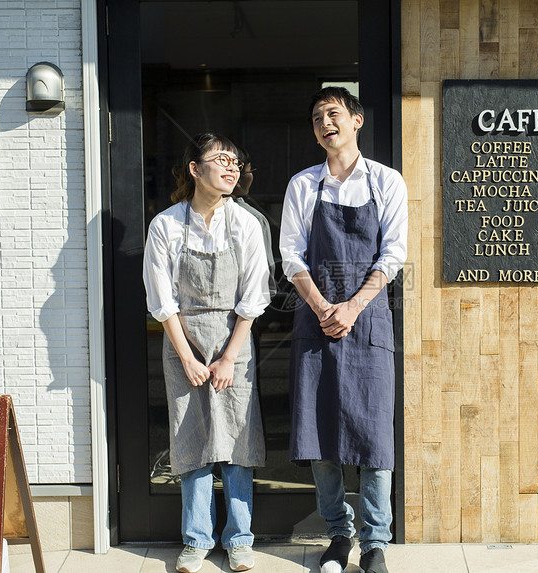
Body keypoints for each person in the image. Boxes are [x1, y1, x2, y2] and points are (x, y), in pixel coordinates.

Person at [279, 87, 408, 573]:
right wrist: (321, 306)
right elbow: (291, 254)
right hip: (315, 315)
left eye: (333, 114)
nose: (325, 123)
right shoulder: (303, 185)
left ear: (356, 120)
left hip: (368, 315)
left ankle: (376, 541)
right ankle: (339, 535)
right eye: (317, 118)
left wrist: (352, 307)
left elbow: (393, 254)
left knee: (373, 435)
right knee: (319, 429)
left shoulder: (385, 181)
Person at [143, 134, 270, 573]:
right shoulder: (166, 225)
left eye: (236, 161)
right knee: (190, 437)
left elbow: (254, 296)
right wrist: (188, 357)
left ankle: (239, 539)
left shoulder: (246, 224)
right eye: (221, 160)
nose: (231, 168)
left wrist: (230, 355)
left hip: (235, 338)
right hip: (183, 339)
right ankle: (196, 540)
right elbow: (162, 301)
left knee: (238, 439)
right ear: (195, 169)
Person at [231, 147, 277, 299]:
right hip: (244, 308)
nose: (251, 176)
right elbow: (265, 275)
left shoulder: (183, 214)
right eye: (249, 171)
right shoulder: (253, 218)